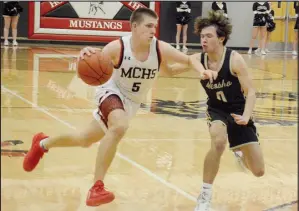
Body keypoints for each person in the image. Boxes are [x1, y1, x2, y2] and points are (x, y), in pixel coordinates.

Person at [22, 8, 217, 207]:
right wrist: (84, 53)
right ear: (134, 26)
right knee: (120, 126)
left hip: (131, 103)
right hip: (110, 92)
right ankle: (96, 187)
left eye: (155, 27)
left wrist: (202, 67)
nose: (153, 31)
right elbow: (91, 58)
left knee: (84, 139)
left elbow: (181, 64)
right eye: (148, 26)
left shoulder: (160, 49)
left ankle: (42, 143)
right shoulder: (117, 47)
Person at [173, 11, 265, 210]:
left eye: (209, 36)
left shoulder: (235, 60)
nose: (203, 40)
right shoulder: (199, 59)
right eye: (202, 36)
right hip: (216, 111)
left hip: (239, 111)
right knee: (218, 141)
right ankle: (205, 195)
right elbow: (178, 65)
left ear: (221, 38)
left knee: (258, 171)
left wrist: (247, 116)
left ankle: (240, 153)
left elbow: (250, 92)